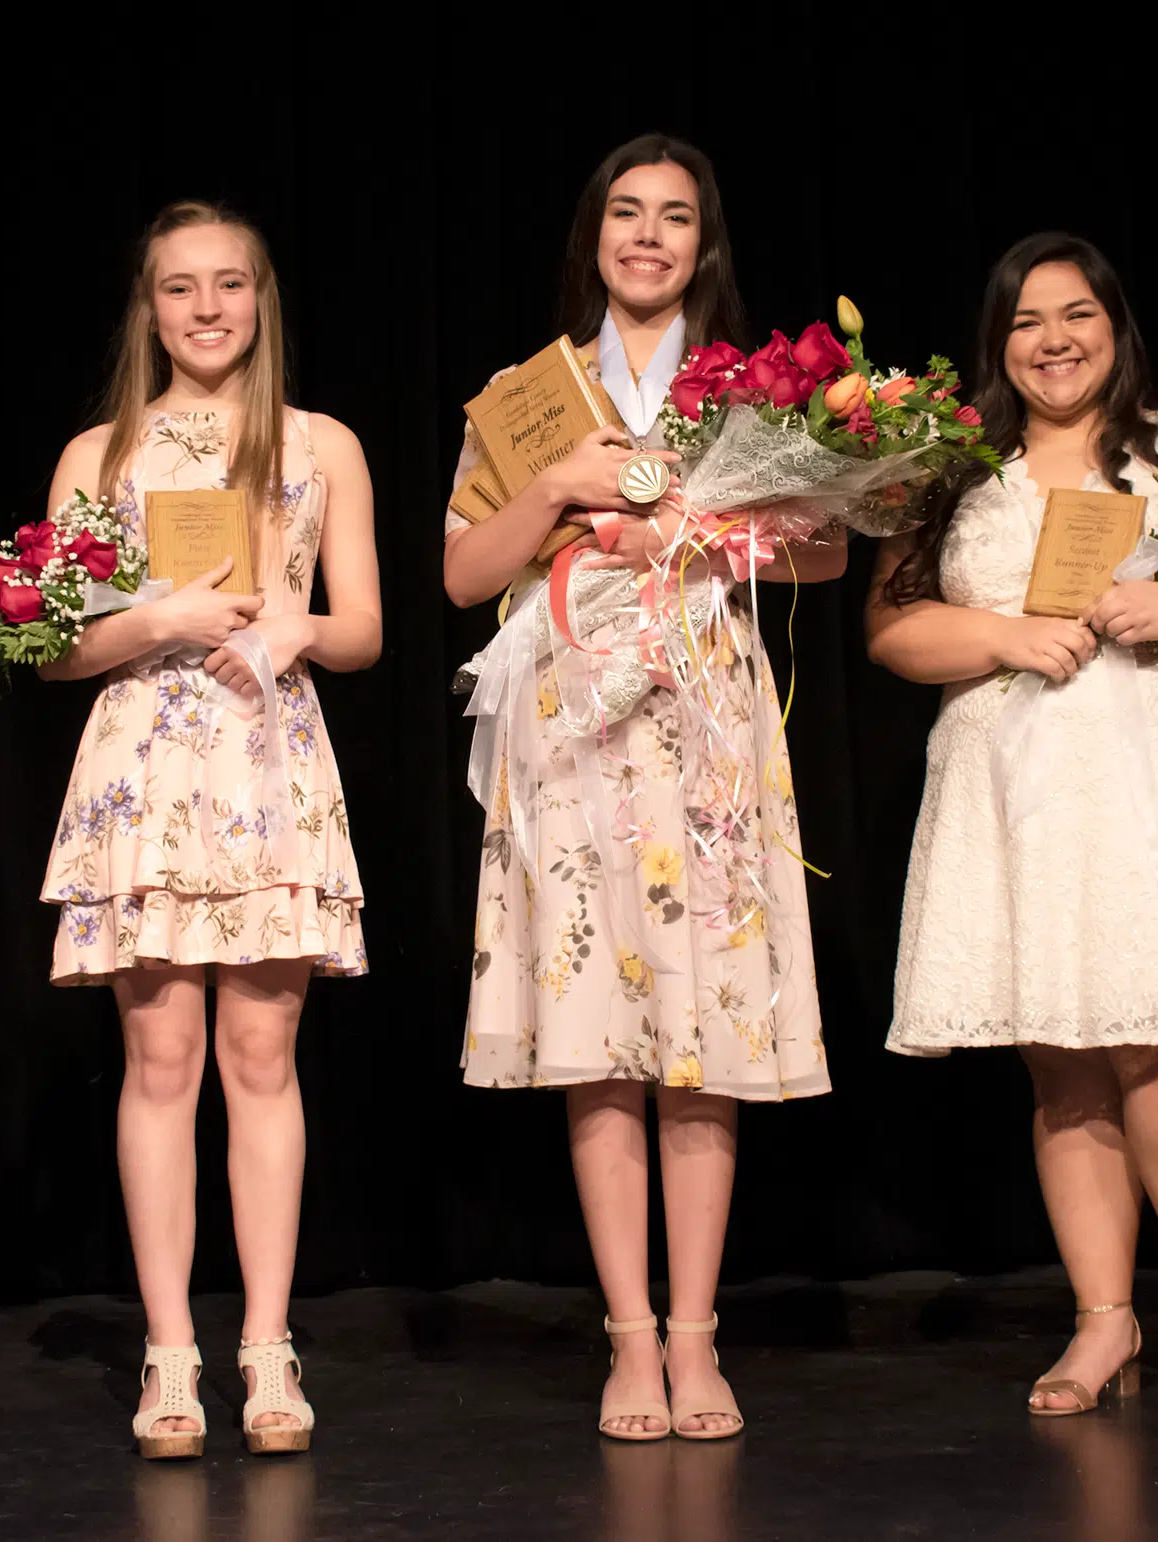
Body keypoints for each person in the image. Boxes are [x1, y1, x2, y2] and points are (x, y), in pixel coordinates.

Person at [866, 232, 1158, 1417]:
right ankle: (1102, 1318)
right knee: (1063, 1058)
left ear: (1116, 328)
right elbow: (893, 633)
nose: (1054, 340)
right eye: (1027, 322)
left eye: (1077, 315)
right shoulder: (954, 474)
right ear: (998, 345)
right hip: (1019, 785)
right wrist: (1005, 638)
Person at [444, 135, 841, 1441]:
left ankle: (696, 1338)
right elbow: (459, 576)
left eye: (677, 218)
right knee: (602, 1033)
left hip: (704, 715)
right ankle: (626, 1339)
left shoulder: (744, 391)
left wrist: (704, 526)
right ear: (594, 234)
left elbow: (828, 549)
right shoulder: (527, 396)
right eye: (628, 213)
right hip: (569, 724)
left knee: (703, 1033)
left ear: (703, 244)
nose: (651, 237)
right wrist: (558, 483)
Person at [36, 199, 381, 1457]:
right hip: (148, 769)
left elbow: (364, 628)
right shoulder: (99, 457)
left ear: (261, 296)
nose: (207, 309)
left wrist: (295, 627)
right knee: (161, 1063)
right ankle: (171, 1351)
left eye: (229, 285)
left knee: (260, 1060)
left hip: (267, 764)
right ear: (149, 308)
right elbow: (58, 646)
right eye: (180, 289)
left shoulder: (320, 443)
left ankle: (269, 1346)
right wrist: (158, 621)